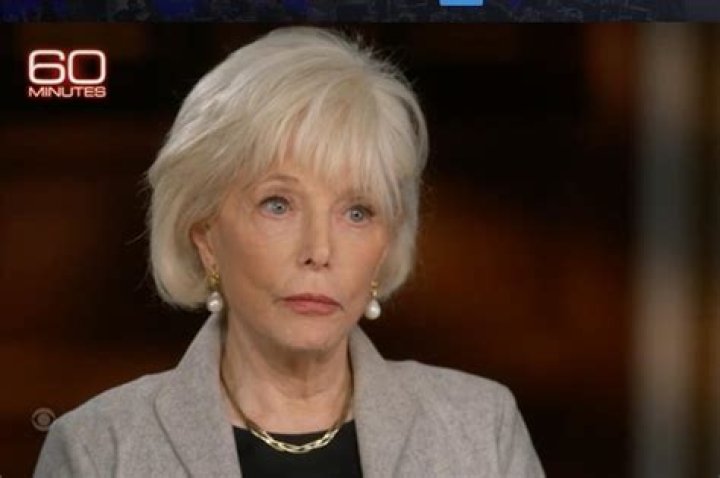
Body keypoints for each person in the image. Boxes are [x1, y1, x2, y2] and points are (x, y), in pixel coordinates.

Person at [33, 26, 544, 477]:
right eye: (278, 204)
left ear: (386, 242)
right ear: (205, 236)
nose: (319, 250)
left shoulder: (482, 426)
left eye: (357, 211)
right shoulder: (98, 449)